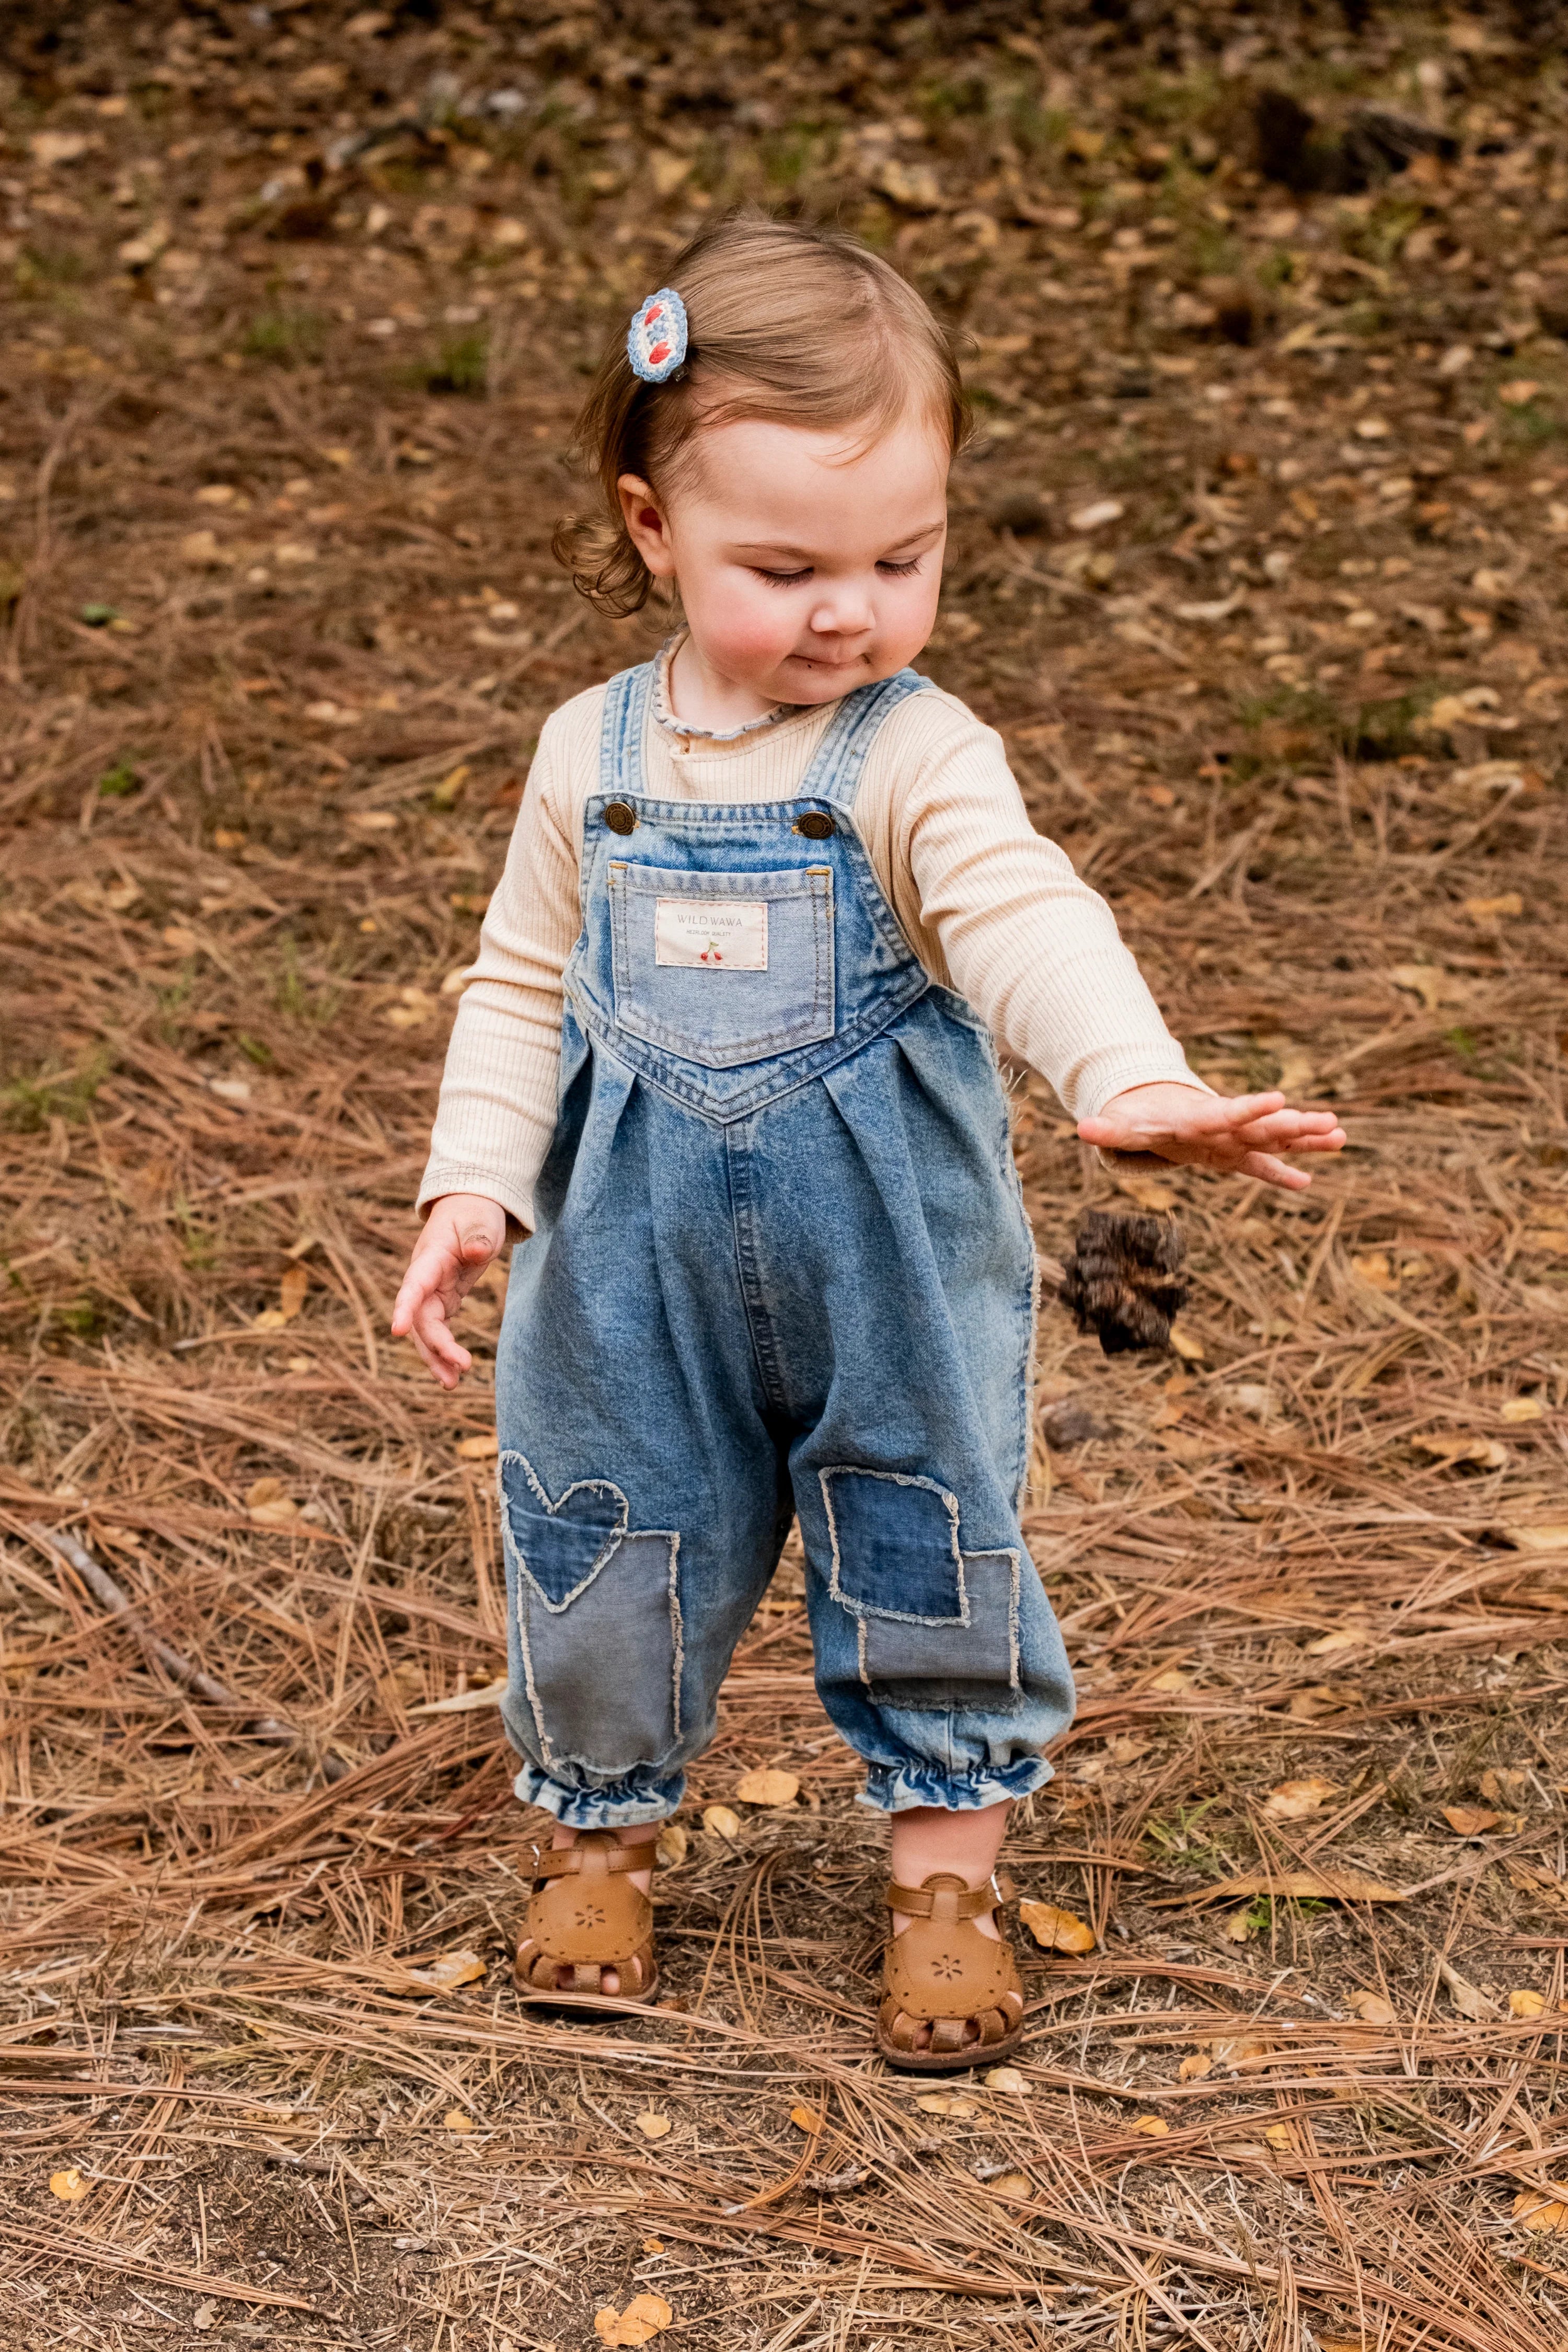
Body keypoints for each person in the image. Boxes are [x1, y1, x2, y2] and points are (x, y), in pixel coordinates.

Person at [391, 214, 1344, 2071]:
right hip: (629, 1254)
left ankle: (944, 1864)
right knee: (605, 1526)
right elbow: (518, 981)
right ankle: (597, 1827)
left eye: (901, 557)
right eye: (787, 564)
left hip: (887, 1247)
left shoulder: (914, 753)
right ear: (651, 530)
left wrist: (1124, 1075)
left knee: (927, 1527)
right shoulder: (587, 751)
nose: (851, 608)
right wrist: (471, 1182)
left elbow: (1020, 911)